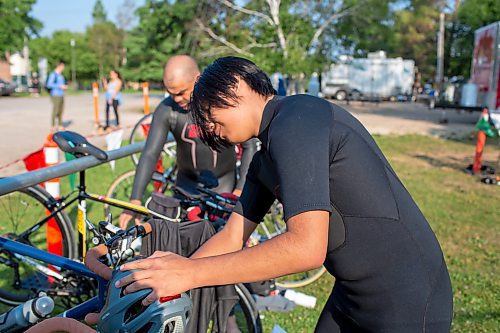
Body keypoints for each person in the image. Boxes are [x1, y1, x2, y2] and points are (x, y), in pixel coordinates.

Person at [116, 57, 453, 332]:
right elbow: (233, 236)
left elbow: (306, 249)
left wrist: (189, 274)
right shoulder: (265, 157)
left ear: (237, 86)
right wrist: (174, 274)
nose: (207, 126)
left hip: (406, 298)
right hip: (353, 295)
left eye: (207, 112)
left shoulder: (297, 119)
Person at [118, 55, 258, 231]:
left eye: (181, 92)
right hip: (185, 190)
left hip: (225, 188)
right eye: (170, 93)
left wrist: (240, 190)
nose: (176, 99)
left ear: (198, 78)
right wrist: (135, 199)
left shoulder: (222, 102)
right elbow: (150, 153)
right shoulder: (167, 110)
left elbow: (249, 146)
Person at [47, 61, 68, 131]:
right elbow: (49, 84)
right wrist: (60, 86)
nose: (63, 68)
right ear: (58, 66)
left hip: (61, 94)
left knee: (61, 110)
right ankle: (53, 125)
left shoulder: (61, 76)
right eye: (62, 66)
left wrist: (64, 87)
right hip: (55, 95)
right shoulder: (53, 75)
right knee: (55, 110)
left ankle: (60, 125)